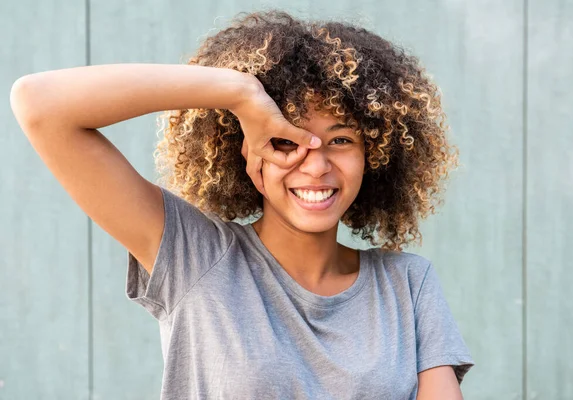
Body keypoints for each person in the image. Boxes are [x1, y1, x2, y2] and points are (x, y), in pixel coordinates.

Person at [11, 9, 474, 400]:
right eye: (287, 139)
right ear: (250, 153)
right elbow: (39, 105)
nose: (316, 166)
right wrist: (240, 93)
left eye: (341, 138)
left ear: (372, 154)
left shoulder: (408, 286)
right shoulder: (195, 257)